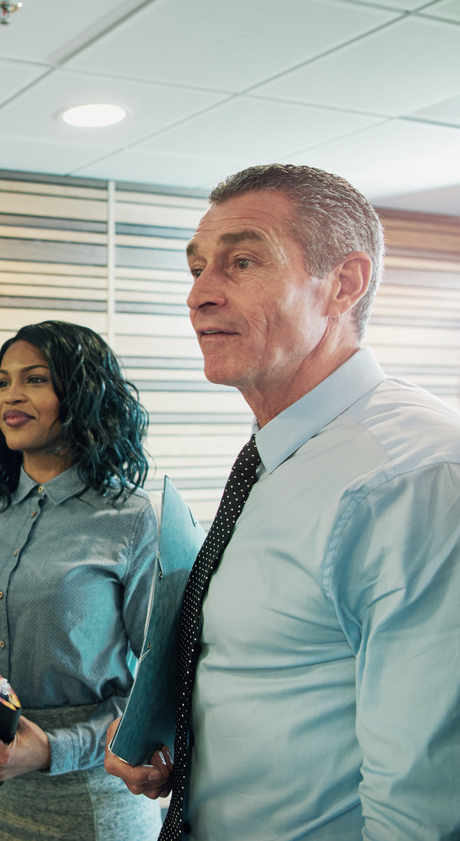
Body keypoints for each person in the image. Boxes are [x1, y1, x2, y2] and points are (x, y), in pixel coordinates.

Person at [103, 165, 460, 840]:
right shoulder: (277, 453)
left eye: (241, 261)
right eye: (197, 267)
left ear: (343, 284)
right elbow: (279, 666)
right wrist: (186, 738)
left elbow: (423, 807)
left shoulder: (413, 479)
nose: (198, 295)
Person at [0, 321, 162, 840]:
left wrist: (54, 749)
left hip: (90, 805)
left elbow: (156, 691)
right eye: (1, 382)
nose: (10, 397)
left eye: (35, 380)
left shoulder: (131, 520)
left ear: (83, 395)